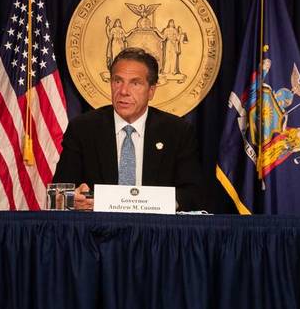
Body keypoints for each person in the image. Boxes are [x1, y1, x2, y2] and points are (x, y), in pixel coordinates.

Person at [53, 47, 204, 211]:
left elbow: (193, 194)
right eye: (118, 81)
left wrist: (158, 204)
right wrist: (72, 198)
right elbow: (58, 193)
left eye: (135, 83)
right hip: (97, 231)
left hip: (156, 232)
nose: (123, 91)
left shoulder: (177, 132)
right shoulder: (83, 128)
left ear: (151, 91)